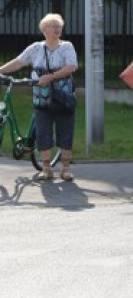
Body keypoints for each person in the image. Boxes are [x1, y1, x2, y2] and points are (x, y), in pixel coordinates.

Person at [0, 13, 78, 181]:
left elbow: (72, 66)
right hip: (41, 97)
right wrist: (0, 70)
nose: (58, 29)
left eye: (59, 27)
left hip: (63, 96)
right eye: (54, 26)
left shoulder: (67, 47)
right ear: (44, 30)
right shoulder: (35, 48)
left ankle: (66, 168)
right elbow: (18, 62)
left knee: (65, 130)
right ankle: (46, 168)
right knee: (43, 132)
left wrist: (51, 76)